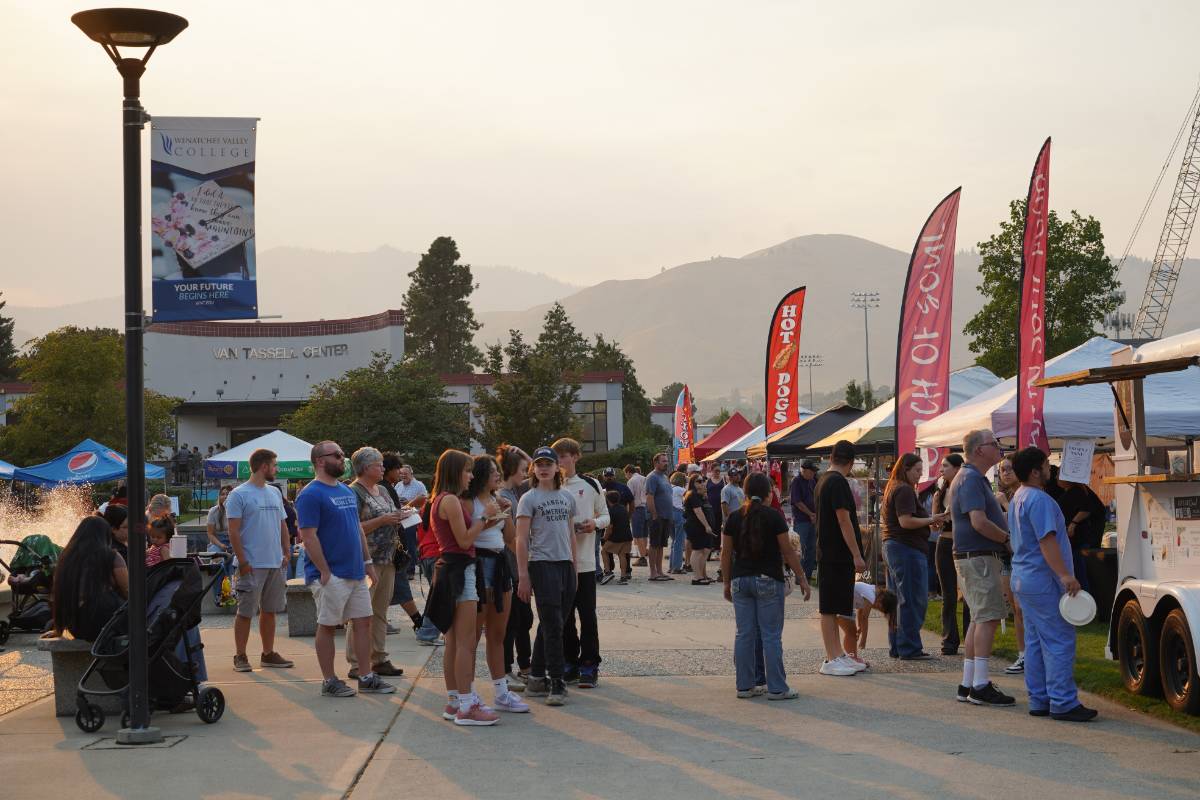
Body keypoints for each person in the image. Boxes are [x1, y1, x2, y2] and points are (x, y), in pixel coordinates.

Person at [296, 441, 395, 698]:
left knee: (364, 622)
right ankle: (329, 680)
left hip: (355, 571)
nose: (343, 460)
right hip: (331, 573)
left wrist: (367, 563)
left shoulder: (344, 491)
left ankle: (365, 676)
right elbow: (309, 537)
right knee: (328, 625)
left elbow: (357, 529)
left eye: (342, 455)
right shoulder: (310, 494)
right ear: (320, 461)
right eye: (337, 456)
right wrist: (324, 571)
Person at [1008, 447, 1098, 722]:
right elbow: (1047, 541)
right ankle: (1063, 702)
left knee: (1035, 641)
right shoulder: (1041, 500)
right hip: (1043, 578)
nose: (1050, 468)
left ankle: (1040, 699)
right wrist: (1065, 575)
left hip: (1023, 577)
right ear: (1036, 471)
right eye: (1046, 464)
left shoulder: (1018, 497)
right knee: (1059, 640)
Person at [424, 449, 501, 726]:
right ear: (456, 472)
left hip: (450, 569)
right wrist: (485, 517)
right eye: (467, 470)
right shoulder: (452, 501)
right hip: (461, 571)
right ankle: (467, 705)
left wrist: (484, 521)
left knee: (454, 641)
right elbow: (466, 541)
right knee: (466, 641)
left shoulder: (439, 500)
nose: (471, 476)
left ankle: (456, 700)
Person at [721, 472, 811, 700]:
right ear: (768, 494)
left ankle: (745, 686)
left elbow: (725, 553)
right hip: (769, 579)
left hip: (740, 580)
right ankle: (777, 688)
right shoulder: (774, 517)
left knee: (744, 634)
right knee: (771, 636)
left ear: (745, 492)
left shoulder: (734, 517)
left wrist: (726, 582)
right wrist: (801, 578)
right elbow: (787, 551)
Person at [950, 429, 1015, 706]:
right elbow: (978, 521)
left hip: (973, 556)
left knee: (978, 618)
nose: (999, 448)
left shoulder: (969, 478)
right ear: (979, 450)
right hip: (979, 557)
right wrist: (1007, 539)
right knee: (987, 617)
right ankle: (980, 685)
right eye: (994, 444)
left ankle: (969, 683)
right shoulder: (972, 479)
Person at [465, 454, 529, 713]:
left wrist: (507, 514)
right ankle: (467, 693)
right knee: (472, 636)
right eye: (492, 471)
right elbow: (464, 538)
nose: (497, 475)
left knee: (498, 633)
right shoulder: (467, 502)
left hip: (500, 563)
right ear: (480, 474)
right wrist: (489, 517)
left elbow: (511, 539)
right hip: (478, 566)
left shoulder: (497, 499)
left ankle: (502, 692)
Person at [516, 447, 578, 706]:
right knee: (553, 625)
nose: (543, 468)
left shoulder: (567, 497)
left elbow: (571, 532)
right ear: (534, 469)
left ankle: (537, 676)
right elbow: (520, 539)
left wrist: (574, 566)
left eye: (548, 464)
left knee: (556, 623)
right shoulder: (528, 498)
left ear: (556, 468)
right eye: (539, 464)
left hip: (565, 565)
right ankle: (556, 681)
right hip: (542, 565)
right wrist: (523, 575)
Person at [225, 449, 293, 672]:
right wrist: (243, 562)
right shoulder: (238, 494)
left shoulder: (274, 492)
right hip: (251, 565)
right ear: (264, 466)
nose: (277, 469)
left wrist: (286, 551)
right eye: (275, 465)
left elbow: (282, 524)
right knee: (245, 612)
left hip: (274, 562)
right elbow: (233, 531)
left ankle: (268, 653)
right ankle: (240, 656)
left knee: (270, 611)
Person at [345, 447, 408, 679]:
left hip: (388, 558)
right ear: (364, 468)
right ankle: (355, 663)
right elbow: (351, 528)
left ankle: (379, 658)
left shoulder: (381, 489)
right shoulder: (353, 493)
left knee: (380, 611)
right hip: (366, 559)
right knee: (360, 612)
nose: (383, 467)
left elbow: (391, 514)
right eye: (378, 464)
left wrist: (401, 516)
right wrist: (382, 520)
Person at [552, 438, 609, 688]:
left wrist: (594, 525)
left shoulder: (590, 483)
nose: (561, 462)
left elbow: (605, 515)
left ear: (576, 457)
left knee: (587, 615)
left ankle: (589, 664)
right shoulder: (549, 487)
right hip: (559, 561)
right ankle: (569, 662)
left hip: (585, 562)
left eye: (565, 456)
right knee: (564, 618)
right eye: (557, 457)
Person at [882, 453, 943, 660]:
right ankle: (909, 647)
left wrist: (928, 520)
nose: (920, 475)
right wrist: (931, 519)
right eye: (917, 470)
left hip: (895, 546)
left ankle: (898, 646)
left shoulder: (894, 487)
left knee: (897, 600)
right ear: (905, 469)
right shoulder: (904, 489)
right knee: (911, 599)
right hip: (905, 548)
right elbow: (906, 522)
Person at [815, 440, 868, 677]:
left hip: (833, 552)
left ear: (831, 456)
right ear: (850, 462)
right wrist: (857, 554)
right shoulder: (837, 482)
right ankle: (831, 657)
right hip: (835, 553)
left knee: (837, 605)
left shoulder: (825, 480)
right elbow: (843, 519)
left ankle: (838, 654)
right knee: (829, 607)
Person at [53, 516, 128, 641]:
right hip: (106, 622)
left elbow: (58, 595)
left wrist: (58, 629)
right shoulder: (111, 556)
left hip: (76, 626)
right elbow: (127, 590)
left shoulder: (66, 558)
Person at [497, 444, 532, 685]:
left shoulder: (516, 492)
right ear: (510, 470)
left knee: (523, 617)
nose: (526, 472)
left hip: (517, 564)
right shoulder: (502, 496)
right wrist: (524, 565)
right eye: (521, 469)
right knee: (512, 620)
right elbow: (508, 538)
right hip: (510, 566)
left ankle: (525, 665)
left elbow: (538, 471)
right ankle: (507, 667)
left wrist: (520, 451)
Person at [380, 453, 425, 634]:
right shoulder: (387, 488)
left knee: (389, 588)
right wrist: (414, 504)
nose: (400, 472)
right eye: (397, 469)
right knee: (399, 585)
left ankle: (382, 621)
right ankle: (419, 622)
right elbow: (394, 515)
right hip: (391, 547)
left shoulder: (386, 487)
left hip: (390, 546)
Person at [932, 454, 969, 655]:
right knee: (948, 595)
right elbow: (935, 526)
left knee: (969, 593)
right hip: (945, 543)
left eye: (945, 466)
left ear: (957, 468)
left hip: (964, 544)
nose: (941, 470)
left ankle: (970, 637)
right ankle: (949, 641)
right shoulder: (940, 493)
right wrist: (938, 517)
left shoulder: (965, 490)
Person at [994, 457, 1027, 676]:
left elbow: (1020, 524)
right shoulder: (999, 496)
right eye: (1002, 470)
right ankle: (1023, 654)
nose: (1006, 473)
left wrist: (1005, 505)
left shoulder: (1024, 495)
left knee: (1024, 609)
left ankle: (1029, 654)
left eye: (1009, 469)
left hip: (1023, 557)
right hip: (1007, 556)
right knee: (1016, 609)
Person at [843, 582, 897, 667]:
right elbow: (864, 617)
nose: (876, 608)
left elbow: (860, 611)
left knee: (851, 633)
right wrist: (863, 641)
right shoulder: (871, 596)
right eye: (879, 607)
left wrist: (859, 627)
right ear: (881, 598)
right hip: (841, 602)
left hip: (844, 603)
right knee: (851, 633)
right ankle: (850, 659)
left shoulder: (872, 591)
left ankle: (852, 658)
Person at [394, 464, 429, 578]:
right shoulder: (398, 485)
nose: (403, 476)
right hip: (400, 519)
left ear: (411, 474)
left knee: (410, 544)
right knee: (401, 545)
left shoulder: (419, 485)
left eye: (405, 474)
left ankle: (411, 570)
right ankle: (403, 568)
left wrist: (409, 502)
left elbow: (425, 500)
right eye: (401, 474)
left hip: (413, 519)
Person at [644, 452, 674, 581]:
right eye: (663, 461)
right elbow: (649, 497)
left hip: (666, 516)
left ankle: (660, 571)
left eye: (667, 461)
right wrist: (654, 514)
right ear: (656, 463)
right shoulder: (652, 477)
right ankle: (652, 572)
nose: (666, 463)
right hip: (657, 516)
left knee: (661, 544)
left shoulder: (665, 477)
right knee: (654, 544)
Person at [683, 474, 717, 584]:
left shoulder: (700, 495)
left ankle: (702, 575)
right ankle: (697, 577)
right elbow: (698, 511)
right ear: (693, 483)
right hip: (695, 526)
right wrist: (707, 525)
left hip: (702, 527)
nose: (702, 483)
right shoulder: (692, 495)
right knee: (697, 550)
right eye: (699, 481)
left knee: (705, 550)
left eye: (703, 481)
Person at [789, 460, 819, 583]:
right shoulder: (796, 482)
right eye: (812, 471)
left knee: (812, 548)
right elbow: (797, 502)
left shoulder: (812, 480)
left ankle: (807, 574)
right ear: (804, 470)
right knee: (799, 549)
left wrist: (816, 514)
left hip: (813, 520)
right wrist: (810, 514)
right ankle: (798, 576)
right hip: (802, 520)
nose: (813, 474)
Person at [206, 484, 234, 601]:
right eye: (223, 494)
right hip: (218, 541)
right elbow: (210, 534)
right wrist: (221, 545)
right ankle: (219, 595)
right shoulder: (213, 511)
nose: (225, 496)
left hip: (233, 540)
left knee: (235, 562)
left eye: (228, 494)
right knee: (217, 561)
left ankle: (233, 592)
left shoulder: (238, 510)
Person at [601, 490, 633, 584]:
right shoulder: (623, 508)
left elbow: (610, 528)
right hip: (627, 536)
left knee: (604, 551)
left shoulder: (611, 511)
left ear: (608, 500)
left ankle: (607, 572)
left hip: (616, 538)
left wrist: (604, 538)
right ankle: (623, 577)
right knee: (622, 555)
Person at [625, 464, 648, 565]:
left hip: (637, 508)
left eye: (626, 474)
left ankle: (642, 557)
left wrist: (628, 513)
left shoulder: (631, 481)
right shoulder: (645, 478)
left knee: (638, 535)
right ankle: (644, 553)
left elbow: (629, 498)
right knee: (644, 534)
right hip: (646, 507)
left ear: (628, 472)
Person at [668, 470, 688, 574]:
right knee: (679, 542)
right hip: (678, 513)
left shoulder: (669, 488)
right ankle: (677, 567)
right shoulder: (680, 489)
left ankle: (671, 566)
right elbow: (688, 497)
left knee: (673, 542)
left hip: (669, 514)